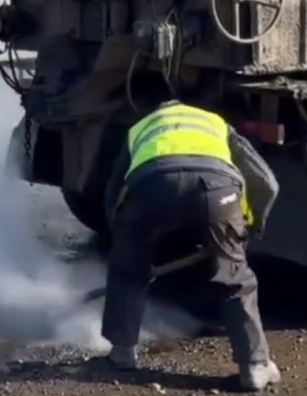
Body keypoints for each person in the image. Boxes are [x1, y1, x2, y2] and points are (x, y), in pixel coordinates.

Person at [100, 96, 281, 392]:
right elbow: (267, 183)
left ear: (160, 112)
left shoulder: (141, 128)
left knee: (128, 270)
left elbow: (115, 188)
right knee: (235, 278)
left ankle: (122, 352)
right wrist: (249, 226)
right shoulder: (215, 123)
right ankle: (255, 366)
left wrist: (122, 237)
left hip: (150, 186)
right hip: (217, 190)